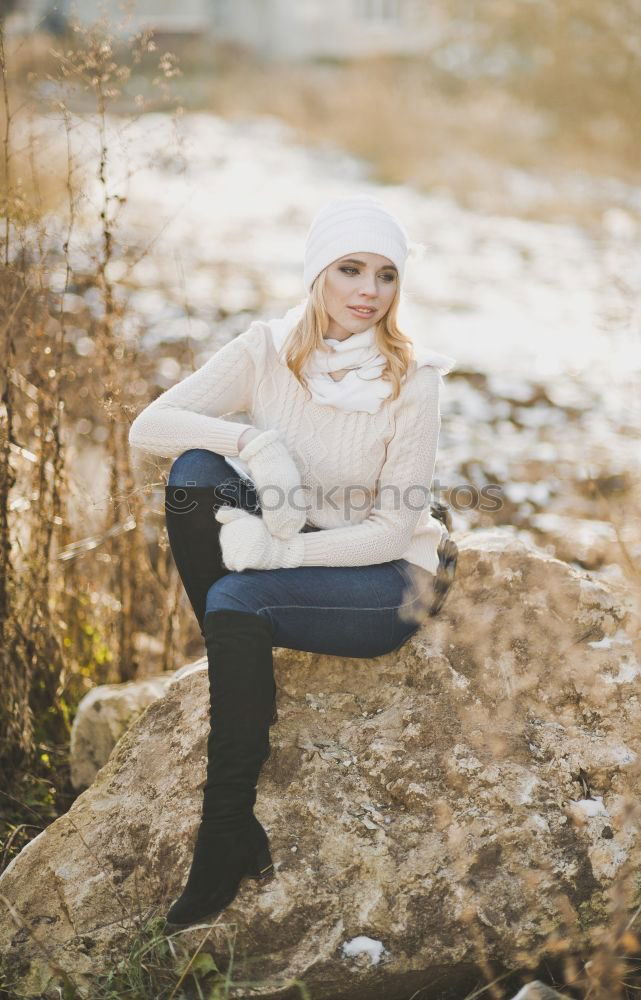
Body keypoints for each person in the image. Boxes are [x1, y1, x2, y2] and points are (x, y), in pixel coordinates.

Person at [127, 193, 456, 928]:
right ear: (317, 274)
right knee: (194, 475)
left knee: (237, 601)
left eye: (386, 275)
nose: (369, 291)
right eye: (350, 270)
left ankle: (224, 833)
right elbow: (149, 426)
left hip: (387, 580)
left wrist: (277, 552)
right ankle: (235, 648)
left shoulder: (413, 379)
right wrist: (255, 444)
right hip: (296, 542)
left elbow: (383, 530)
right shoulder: (266, 352)